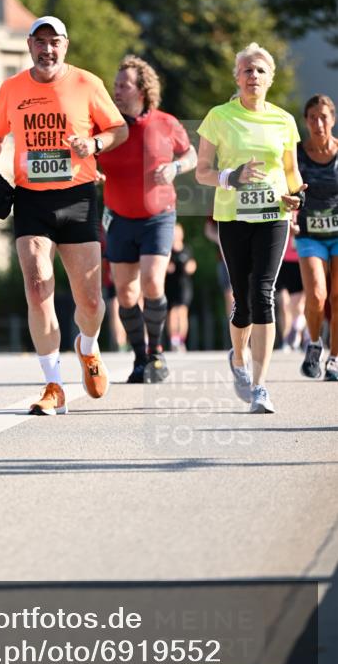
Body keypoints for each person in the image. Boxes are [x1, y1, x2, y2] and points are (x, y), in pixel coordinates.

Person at [0, 16, 128, 415]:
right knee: (38, 284)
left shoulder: (86, 83)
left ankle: (88, 347)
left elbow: (119, 129)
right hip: (31, 200)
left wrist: (92, 143)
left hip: (78, 196)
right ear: (29, 45)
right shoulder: (12, 88)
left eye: (54, 42)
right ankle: (53, 384)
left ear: (66, 45)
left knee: (91, 301)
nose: (47, 49)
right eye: (40, 42)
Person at [196, 42, 306, 413]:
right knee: (242, 302)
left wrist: (296, 198)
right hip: (233, 217)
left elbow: (292, 173)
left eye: (260, 70)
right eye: (247, 69)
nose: (253, 76)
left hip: (274, 217)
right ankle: (238, 358)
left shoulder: (284, 120)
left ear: (269, 78)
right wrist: (233, 176)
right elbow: (202, 172)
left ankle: (260, 386)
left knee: (264, 294)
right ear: (237, 77)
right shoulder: (218, 117)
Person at [99, 55, 197, 383]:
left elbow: (191, 154)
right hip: (119, 218)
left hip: (158, 217)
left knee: (153, 281)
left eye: (123, 85)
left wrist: (174, 168)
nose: (117, 90)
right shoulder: (106, 127)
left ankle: (156, 352)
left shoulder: (165, 122)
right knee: (126, 294)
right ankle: (140, 358)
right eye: (115, 85)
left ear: (142, 90)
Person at [295, 94, 338, 381]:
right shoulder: (297, 153)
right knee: (318, 295)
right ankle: (314, 343)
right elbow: (284, 185)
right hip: (309, 234)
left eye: (324, 117)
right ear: (306, 121)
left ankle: (334, 359)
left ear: (332, 119)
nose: (318, 123)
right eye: (313, 117)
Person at [165, 222, 197, 351]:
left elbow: (193, 264)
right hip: (170, 285)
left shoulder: (187, 249)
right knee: (172, 312)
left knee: (182, 312)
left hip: (184, 286)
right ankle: (174, 340)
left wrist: (191, 267)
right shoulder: (167, 250)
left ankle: (182, 341)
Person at [275, 233, 306, 351]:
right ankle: (286, 340)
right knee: (283, 304)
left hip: (301, 258)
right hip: (281, 259)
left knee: (298, 305)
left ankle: (299, 334)